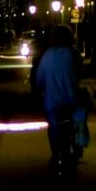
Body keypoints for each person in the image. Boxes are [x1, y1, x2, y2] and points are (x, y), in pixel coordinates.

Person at [35, 24, 85, 170]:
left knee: (53, 127)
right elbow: (79, 72)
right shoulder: (74, 53)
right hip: (72, 99)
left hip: (52, 101)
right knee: (79, 119)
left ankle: (56, 154)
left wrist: (39, 91)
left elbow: (40, 78)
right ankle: (78, 144)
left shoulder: (47, 55)